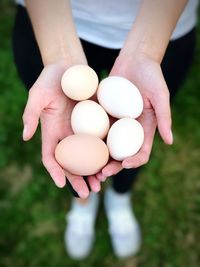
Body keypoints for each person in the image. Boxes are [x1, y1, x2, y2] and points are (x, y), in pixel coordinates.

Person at [13, 0, 198, 259]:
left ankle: (120, 197)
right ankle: (82, 202)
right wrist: (59, 55)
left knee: (131, 149)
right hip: (49, 26)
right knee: (71, 147)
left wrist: (145, 52)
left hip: (161, 29)